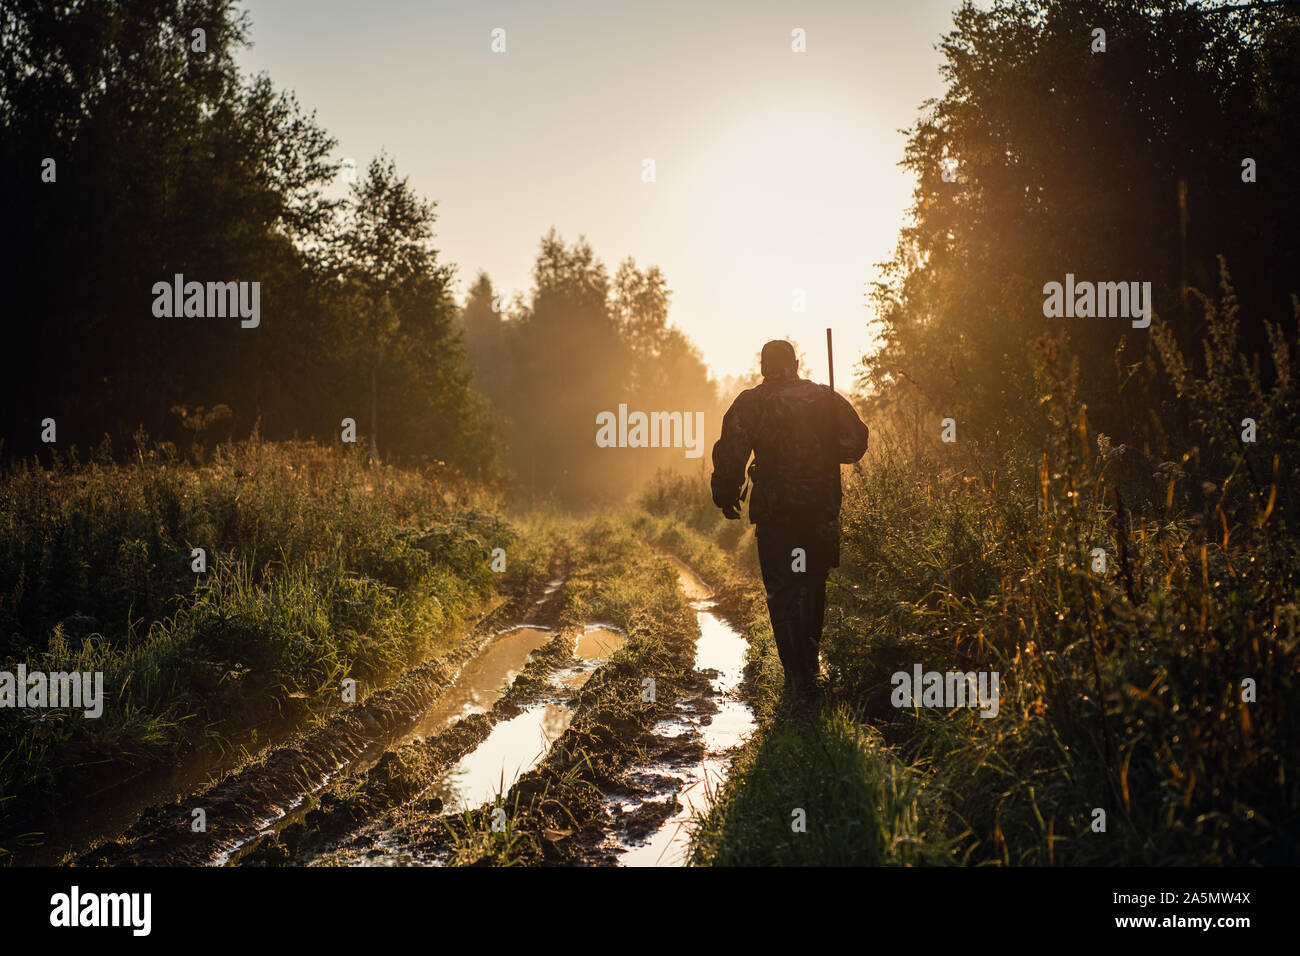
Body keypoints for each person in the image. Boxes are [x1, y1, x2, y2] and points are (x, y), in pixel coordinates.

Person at [710, 339, 869, 701]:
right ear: (796, 363)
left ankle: (794, 677)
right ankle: (810, 668)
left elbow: (731, 453)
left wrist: (725, 494)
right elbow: (855, 445)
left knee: (782, 590)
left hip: (777, 513)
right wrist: (826, 440)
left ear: (764, 366)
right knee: (813, 585)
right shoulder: (826, 397)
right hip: (820, 510)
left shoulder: (752, 402)